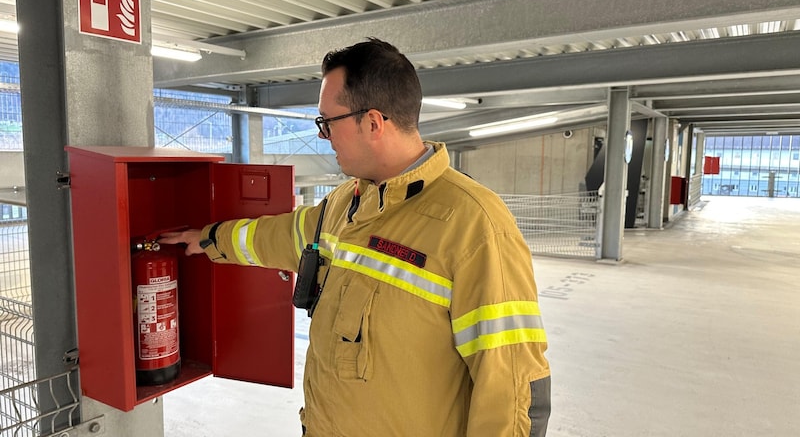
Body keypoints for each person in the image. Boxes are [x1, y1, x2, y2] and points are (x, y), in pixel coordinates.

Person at [160, 37, 551, 436]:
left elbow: (514, 387)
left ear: (373, 123)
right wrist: (211, 239)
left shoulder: (475, 225)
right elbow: (280, 236)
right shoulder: (345, 203)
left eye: (327, 123)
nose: (322, 137)